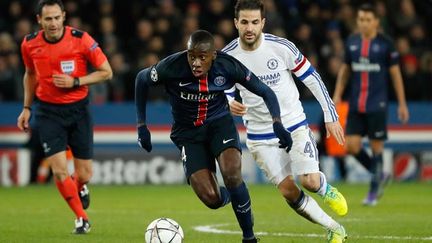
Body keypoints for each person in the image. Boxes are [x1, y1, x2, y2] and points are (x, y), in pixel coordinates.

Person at [135, 29, 292, 243]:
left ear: (213, 56)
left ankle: (249, 236)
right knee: (211, 199)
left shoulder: (227, 66)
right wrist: (142, 125)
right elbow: (141, 79)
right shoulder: (171, 66)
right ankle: (236, 198)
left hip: (220, 125)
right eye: (192, 56)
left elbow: (265, 91)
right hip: (188, 134)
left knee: (232, 174)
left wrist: (277, 123)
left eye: (202, 57)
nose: (196, 63)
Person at [223, 1, 348, 242]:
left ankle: (325, 188)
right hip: (259, 135)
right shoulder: (228, 57)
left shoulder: (281, 48)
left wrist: (331, 115)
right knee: (289, 192)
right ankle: (334, 228)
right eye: (245, 22)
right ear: (236, 23)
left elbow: (312, 79)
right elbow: (222, 87)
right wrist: (229, 101)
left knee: (309, 182)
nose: (250, 28)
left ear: (263, 23)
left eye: (255, 22)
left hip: (293, 125)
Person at [17, 0, 112, 234]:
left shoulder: (81, 40)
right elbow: (30, 75)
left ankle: (80, 187)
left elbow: (107, 72)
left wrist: (76, 81)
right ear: (39, 20)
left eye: (57, 18)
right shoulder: (29, 45)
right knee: (59, 171)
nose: (53, 23)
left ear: (64, 16)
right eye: (48, 19)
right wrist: (27, 107)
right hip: (48, 112)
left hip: (79, 110)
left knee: (84, 174)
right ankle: (82, 218)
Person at [333, 3, 409, 206]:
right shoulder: (352, 42)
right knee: (351, 146)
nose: (364, 23)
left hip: (378, 104)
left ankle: (373, 192)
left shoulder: (386, 44)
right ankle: (380, 175)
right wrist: (337, 94)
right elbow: (345, 70)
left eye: (368, 19)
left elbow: (395, 75)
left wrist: (402, 104)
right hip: (356, 103)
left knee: (377, 148)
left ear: (376, 21)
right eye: (360, 19)